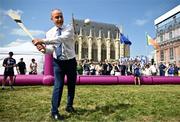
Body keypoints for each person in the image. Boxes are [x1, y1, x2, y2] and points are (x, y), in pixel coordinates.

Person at [32, 9, 77, 120]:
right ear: (51, 19)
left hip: (71, 61)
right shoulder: (49, 33)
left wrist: (42, 41)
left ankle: (69, 106)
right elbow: (51, 50)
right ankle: (54, 111)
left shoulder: (69, 28)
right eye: (56, 17)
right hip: (58, 63)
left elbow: (59, 39)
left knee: (71, 85)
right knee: (58, 85)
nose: (60, 19)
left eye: (61, 16)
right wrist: (42, 49)